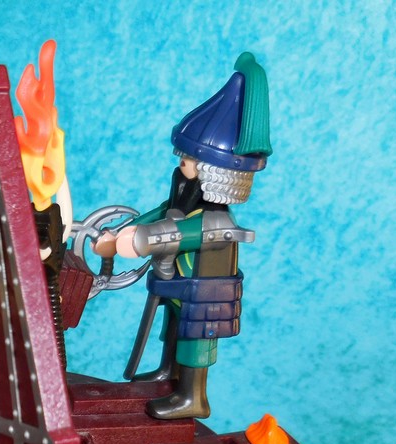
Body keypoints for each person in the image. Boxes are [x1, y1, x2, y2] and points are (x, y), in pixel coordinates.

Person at [95, 53, 271, 419]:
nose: (181, 164)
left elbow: (176, 232)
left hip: (206, 291)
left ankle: (193, 397)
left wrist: (139, 241)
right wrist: (119, 232)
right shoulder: (186, 196)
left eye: (189, 160)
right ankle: (167, 373)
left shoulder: (216, 222)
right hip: (180, 284)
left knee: (196, 340)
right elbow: (163, 214)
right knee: (173, 328)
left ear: (214, 171)